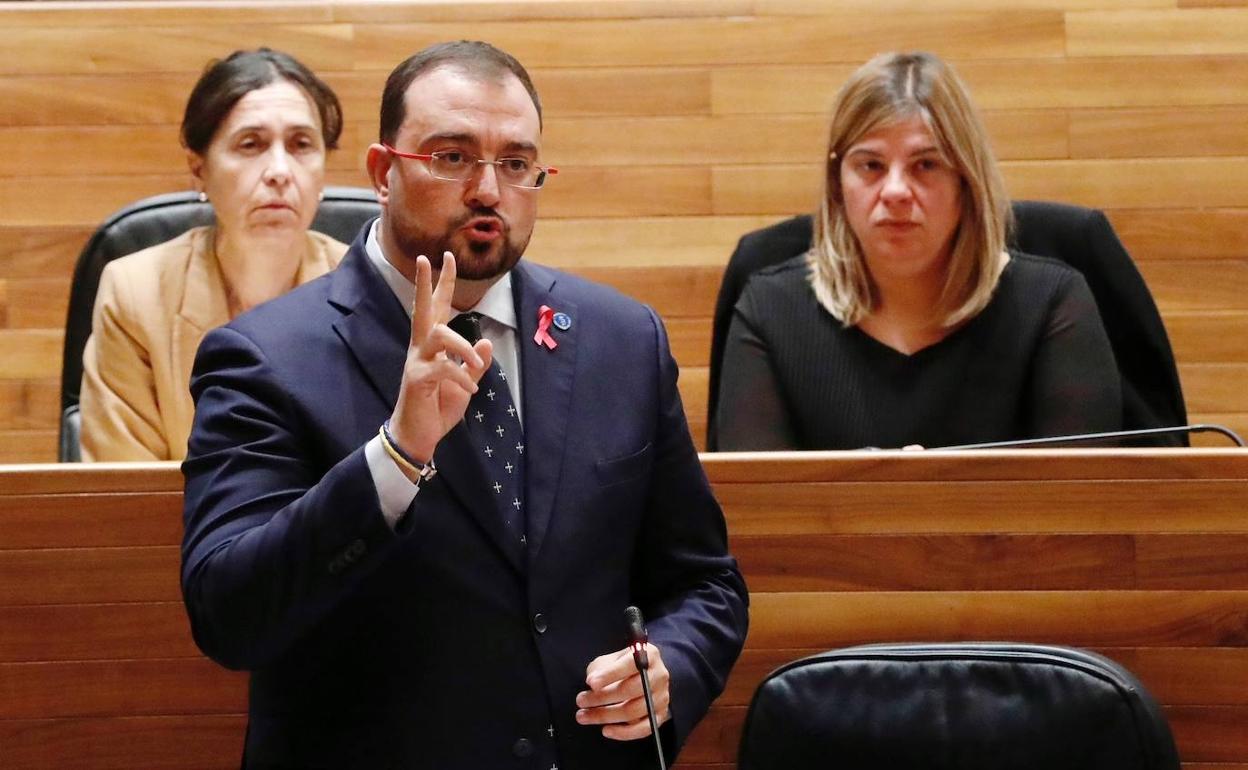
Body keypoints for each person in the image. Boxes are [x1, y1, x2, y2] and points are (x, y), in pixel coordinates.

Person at [180, 40, 748, 769]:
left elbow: (705, 580)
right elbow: (229, 617)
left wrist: (672, 666)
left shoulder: (620, 339)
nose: (488, 190)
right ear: (383, 173)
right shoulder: (264, 357)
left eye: (514, 164)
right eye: (452, 158)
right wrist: (394, 457)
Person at [714, 51, 1122, 451]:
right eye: (870, 165)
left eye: (926, 165)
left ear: (967, 180)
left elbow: (1080, 505)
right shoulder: (768, 310)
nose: (894, 191)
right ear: (838, 184)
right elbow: (756, 509)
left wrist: (924, 499)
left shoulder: (1052, 304)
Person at [79, 48, 348, 461]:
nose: (279, 170)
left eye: (301, 145)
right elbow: (126, 494)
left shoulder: (366, 289)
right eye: (251, 144)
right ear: (199, 167)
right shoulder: (135, 294)